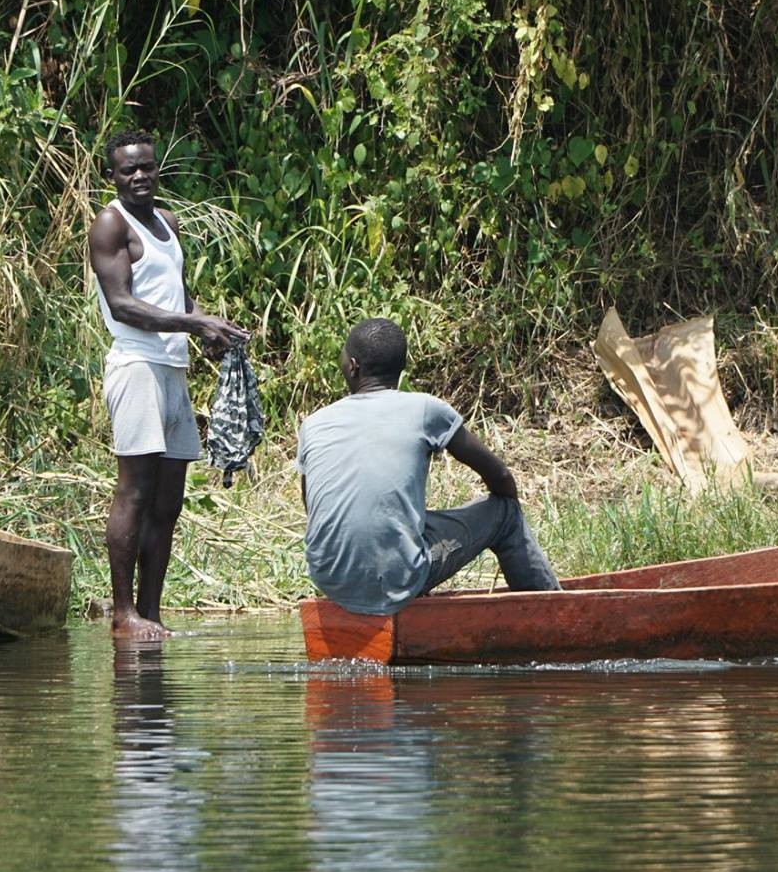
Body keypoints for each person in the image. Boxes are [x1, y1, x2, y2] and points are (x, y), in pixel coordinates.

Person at [89, 129, 247, 640]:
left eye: (147, 167)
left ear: (158, 170)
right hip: (136, 367)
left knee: (168, 502)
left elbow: (180, 299)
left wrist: (211, 329)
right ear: (111, 176)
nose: (139, 176)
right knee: (134, 493)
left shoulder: (168, 223)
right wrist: (194, 325)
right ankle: (122, 613)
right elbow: (123, 305)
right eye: (128, 169)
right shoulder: (111, 224)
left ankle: (151, 613)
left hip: (172, 371)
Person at [297, 317, 560, 615]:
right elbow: (499, 475)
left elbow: (314, 508)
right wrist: (508, 505)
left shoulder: (313, 424)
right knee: (505, 514)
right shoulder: (424, 409)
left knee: (408, 525)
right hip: (396, 576)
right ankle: (552, 616)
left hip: (327, 575)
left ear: (353, 366)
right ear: (400, 370)